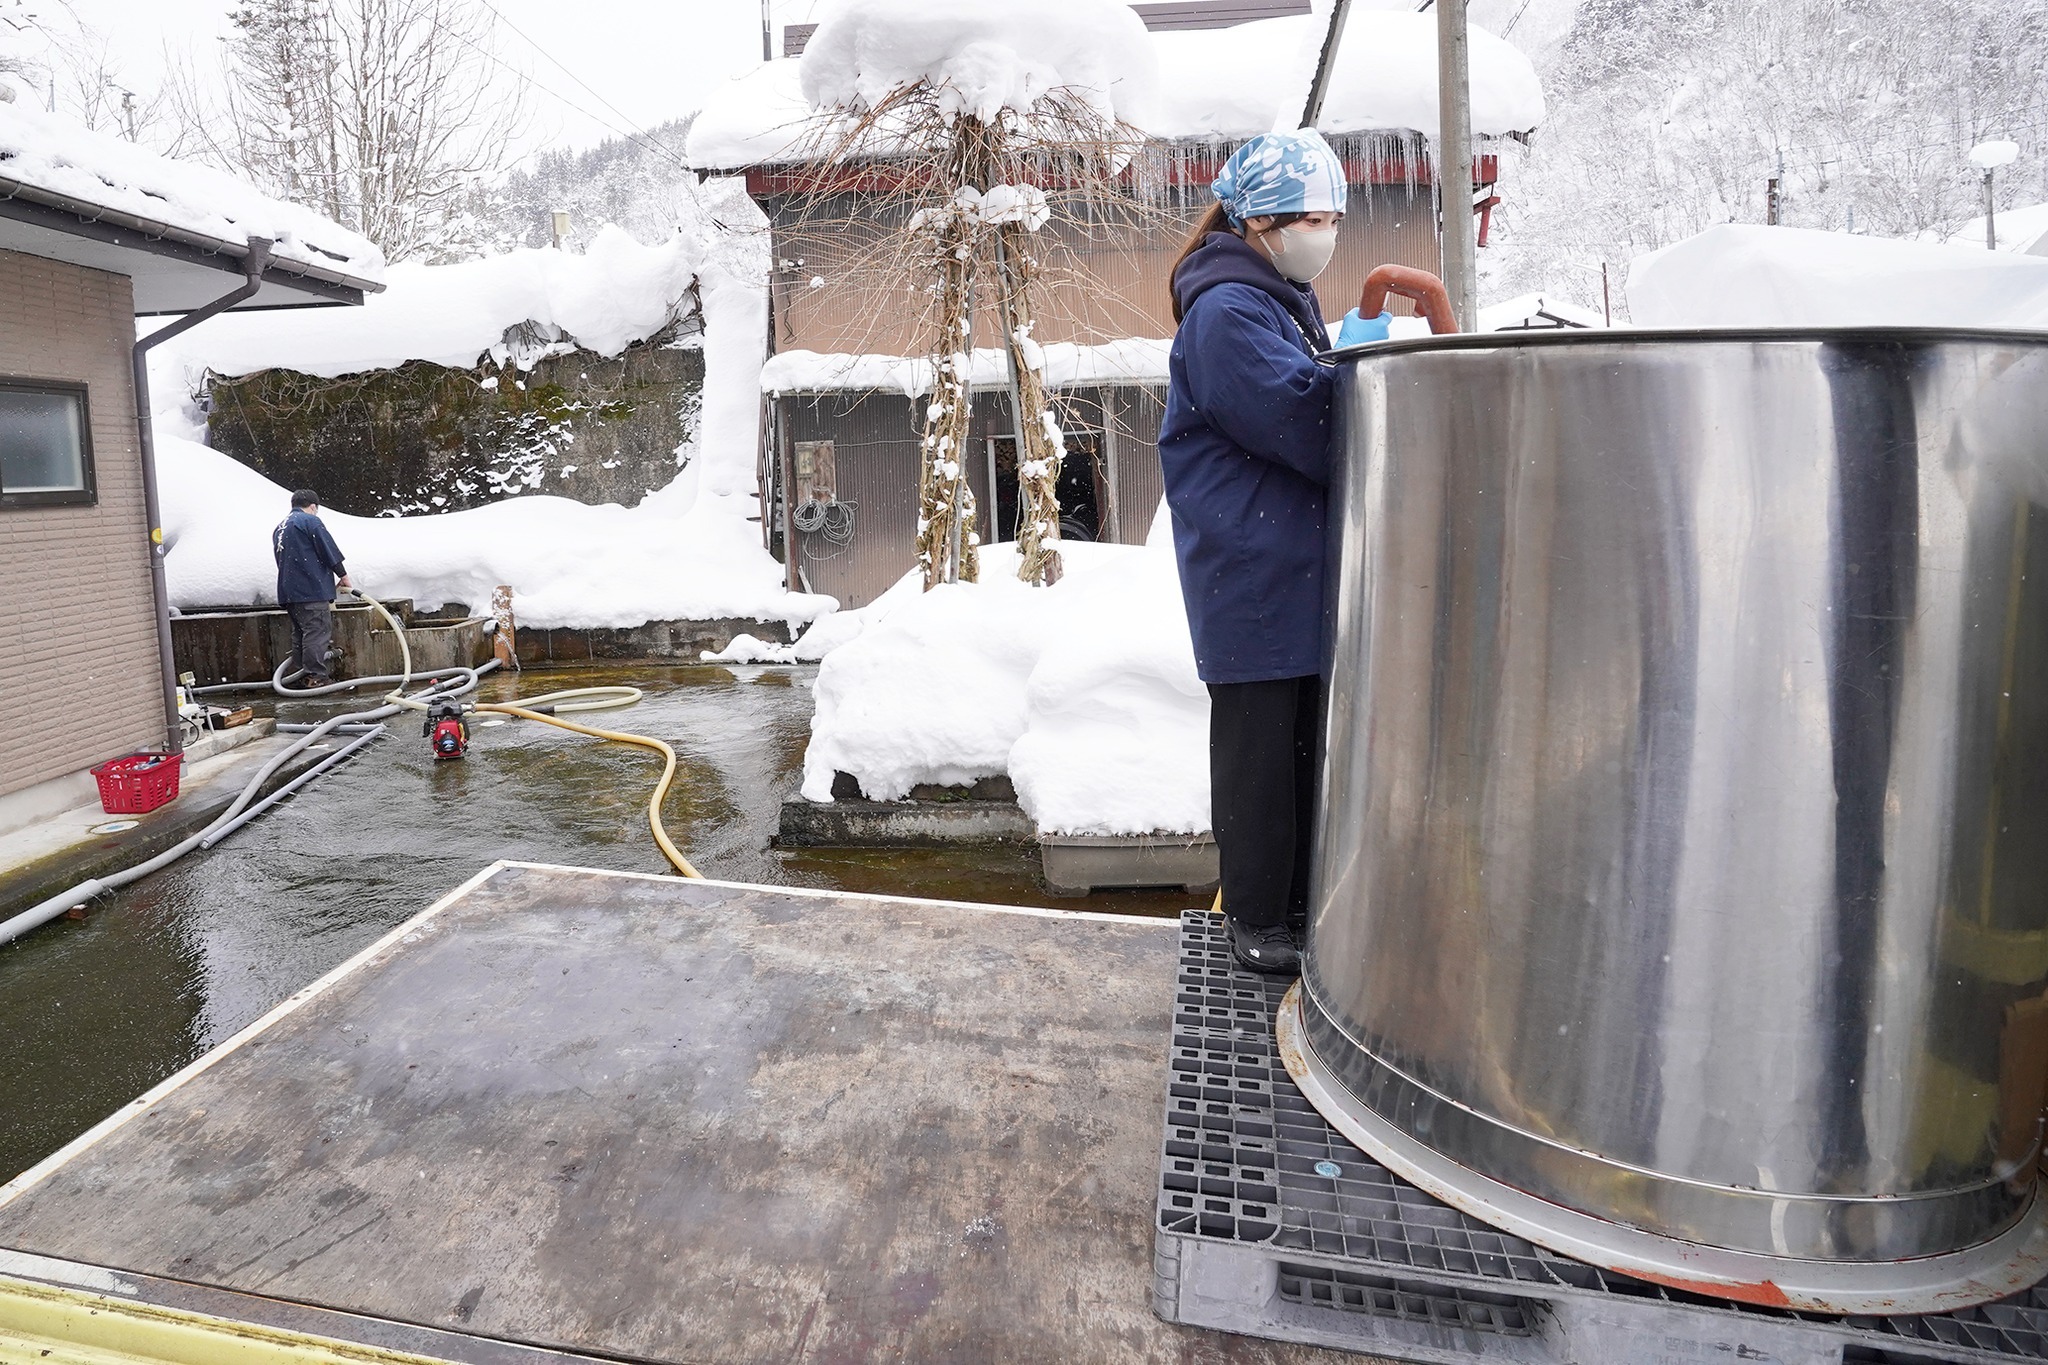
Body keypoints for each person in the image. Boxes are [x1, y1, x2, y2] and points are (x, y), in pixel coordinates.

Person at [1159, 129, 1386, 977]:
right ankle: (1258, 918)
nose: (1322, 233)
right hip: (1252, 570)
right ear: (1257, 220)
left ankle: (1292, 908)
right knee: (1261, 757)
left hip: (1283, 570)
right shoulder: (1229, 312)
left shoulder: (1270, 297)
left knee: (1295, 752)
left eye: (1331, 216)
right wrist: (1366, 370)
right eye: (1306, 217)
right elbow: (1306, 423)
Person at [272, 489, 351, 689]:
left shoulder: (280, 528)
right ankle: (316, 676)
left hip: (289, 591)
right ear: (313, 506)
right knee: (316, 631)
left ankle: (302, 675)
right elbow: (328, 549)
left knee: (301, 633)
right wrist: (342, 574)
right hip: (311, 590)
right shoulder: (310, 521)